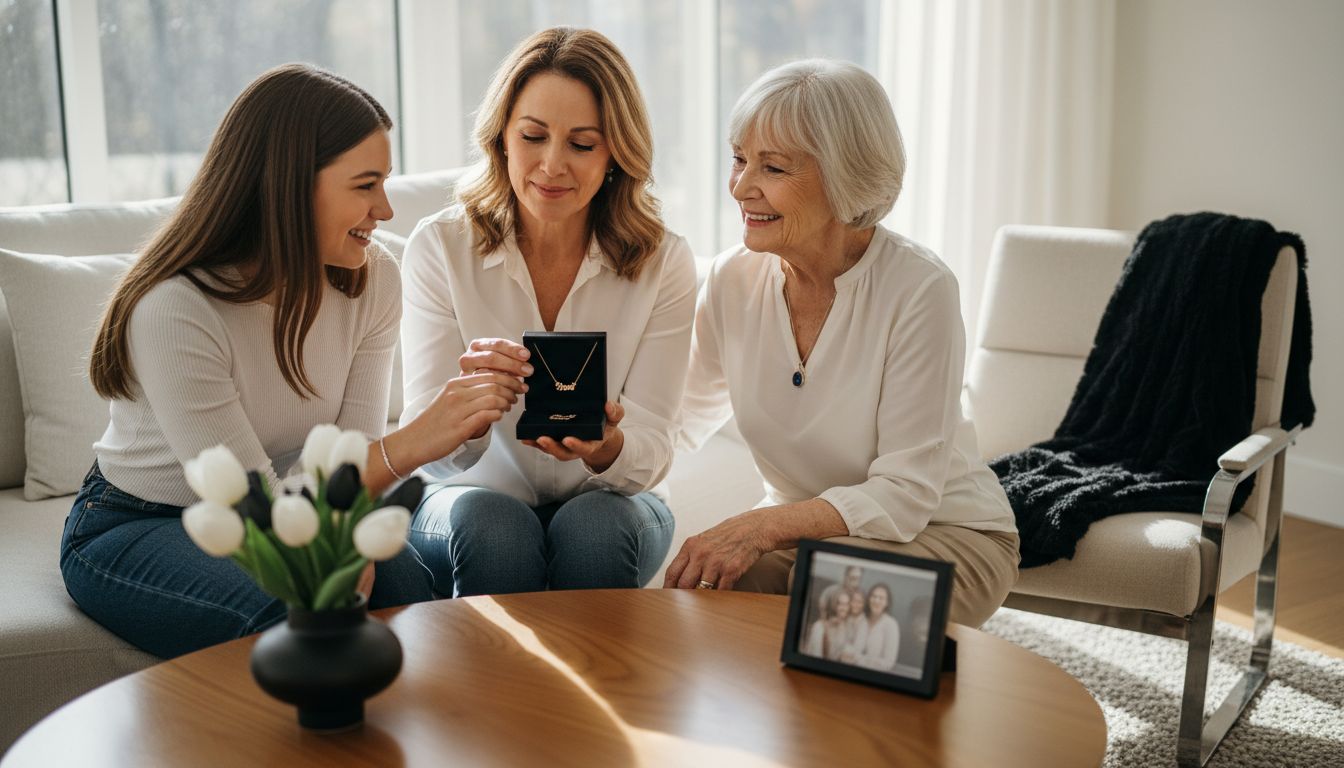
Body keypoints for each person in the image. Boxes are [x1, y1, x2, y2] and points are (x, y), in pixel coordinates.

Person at [60, 64, 524, 659]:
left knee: (409, 586)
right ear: (289, 187)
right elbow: (250, 506)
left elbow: (344, 463)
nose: (385, 209)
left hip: (288, 505)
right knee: (301, 609)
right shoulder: (176, 308)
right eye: (365, 185)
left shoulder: (373, 279)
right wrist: (413, 442)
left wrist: (343, 529)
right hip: (137, 523)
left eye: (384, 183)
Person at [664, 59, 1020, 628]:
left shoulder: (919, 287)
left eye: (772, 167)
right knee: (709, 598)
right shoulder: (732, 279)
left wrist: (757, 526)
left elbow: (905, 493)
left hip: (946, 533)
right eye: (738, 158)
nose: (740, 187)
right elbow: (680, 416)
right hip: (808, 537)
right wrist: (607, 433)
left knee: (830, 603)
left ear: (844, 175)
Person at [400, 27, 696, 596]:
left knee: (594, 529)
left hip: (612, 502)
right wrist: (467, 414)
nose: (552, 165)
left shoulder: (663, 261)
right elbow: (429, 462)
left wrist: (609, 448)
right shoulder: (440, 248)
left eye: (582, 145)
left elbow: (655, 446)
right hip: (470, 499)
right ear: (501, 139)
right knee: (496, 528)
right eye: (533, 136)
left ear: (616, 154)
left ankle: (593, 663)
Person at [852, 583, 901, 671]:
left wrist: (858, 660)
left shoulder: (891, 625)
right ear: (869, 599)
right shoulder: (861, 620)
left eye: (881, 598)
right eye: (874, 596)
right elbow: (852, 651)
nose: (876, 601)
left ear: (887, 603)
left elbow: (888, 662)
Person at [803, 585, 854, 661]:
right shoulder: (819, 627)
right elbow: (816, 656)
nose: (844, 608)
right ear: (833, 605)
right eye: (840, 604)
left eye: (846, 604)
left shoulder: (845, 626)